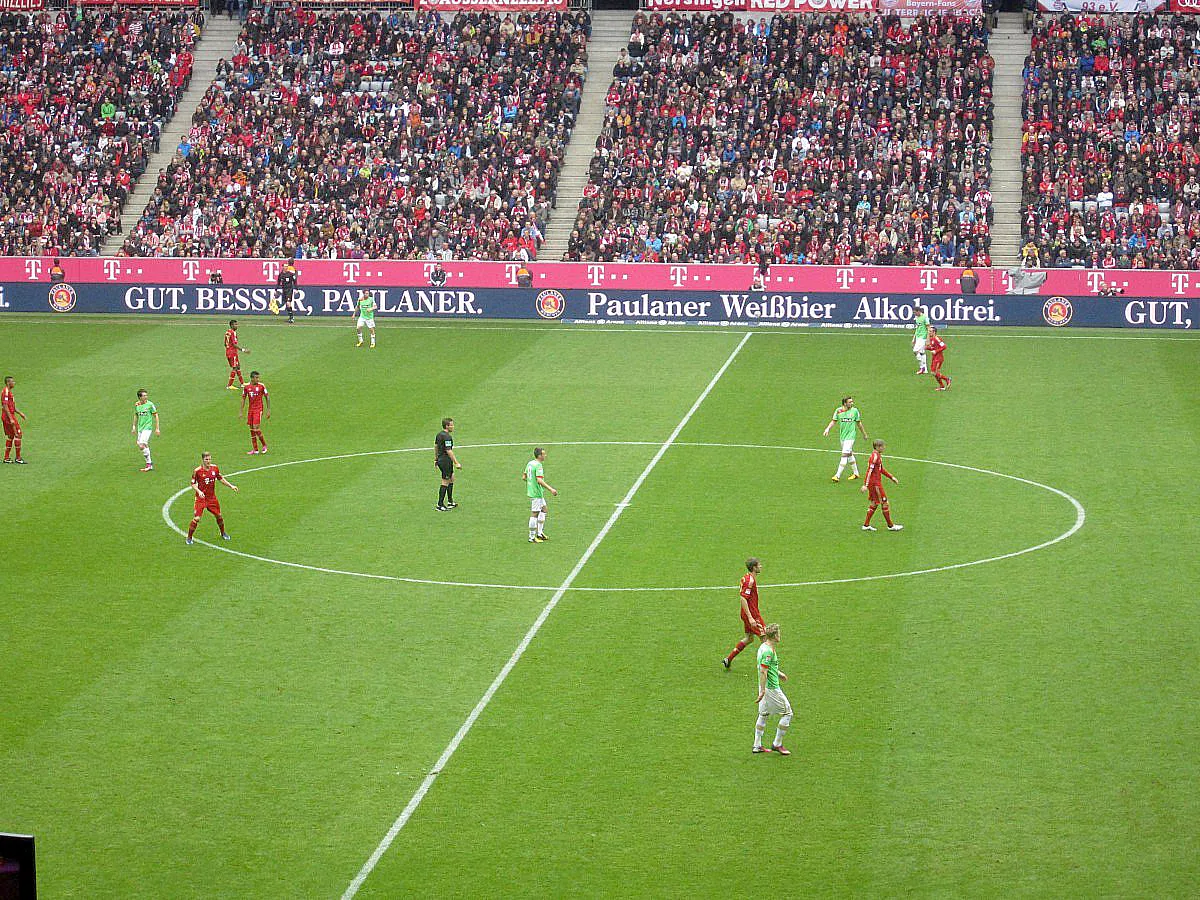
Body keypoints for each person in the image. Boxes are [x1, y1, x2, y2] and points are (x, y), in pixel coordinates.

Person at [753, 622, 792, 756]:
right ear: (774, 635)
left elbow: (768, 667)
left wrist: (779, 673)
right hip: (771, 688)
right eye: (778, 633)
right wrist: (763, 691)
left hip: (764, 686)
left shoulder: (763, 647)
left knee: (763, 714)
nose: (780, 636)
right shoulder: (768, 651)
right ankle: (777, 744)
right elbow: (763, 671)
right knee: (787, 713)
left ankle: (757, 745)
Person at [186, 451, 238, 544]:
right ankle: (189, 537)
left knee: (219, 515)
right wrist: (199, 491)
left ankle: (223, 533)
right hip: (200, 498)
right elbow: (193, 484)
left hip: (211, 498)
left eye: (209, 459)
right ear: (203, 460)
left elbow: (220, 478)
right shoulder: (197, 471)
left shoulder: (215, 468)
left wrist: (231, 486)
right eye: (206, 459)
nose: (208, 461)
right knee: (197, 518)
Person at [723, 558, 764, 669]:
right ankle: (768, 667)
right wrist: (751, 618)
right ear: (754, 567)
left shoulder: (747, 578)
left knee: (749, 638)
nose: (761, 566)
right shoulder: (749, 581)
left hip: (746, 614)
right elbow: (743, 598)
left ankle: (728, 659)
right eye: (759, 565)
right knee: (765, 639)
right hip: (752, 614)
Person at [823, 396, 867, 482]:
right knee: (849, 454)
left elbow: (859, 423)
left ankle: (837, 476)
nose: (852, 403)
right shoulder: (838, 411)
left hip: (850, 437)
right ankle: (856, 473)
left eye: (852, 402)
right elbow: (834, 420)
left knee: (844, 455)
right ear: (845, 403)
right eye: (850, 402)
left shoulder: (855, 411)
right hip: (843, 437)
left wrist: (864, 434)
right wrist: (827, 429)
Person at [861, 439, 902, 532]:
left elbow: (881, 469)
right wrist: (865, 485)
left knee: (874, 502)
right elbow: (869, 471)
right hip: (875, 484)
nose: (884, 448)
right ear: (877, 447)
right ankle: (890, 526)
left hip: (875, 483)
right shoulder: (874, 457)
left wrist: (892, 477)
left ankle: (866, 525)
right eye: (883, 446)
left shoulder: (878, 456)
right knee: (885, 502)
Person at [523, 447, 558, 542]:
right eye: (544, 454)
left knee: (544, 509)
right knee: (534, 513)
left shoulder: (530, 463)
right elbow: (539, 480)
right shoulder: (538, 465)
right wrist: (551, 489)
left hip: (534, 492)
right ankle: (532, 537)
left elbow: (524, 477)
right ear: (539, 456)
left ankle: (539, 533)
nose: (545, 455)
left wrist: (531, 483)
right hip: (536, 493)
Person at [435, 417, 461, 511]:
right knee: (445, 481)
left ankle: (450, 501)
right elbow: (449, 450)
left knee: (452, 478)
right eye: (451, 425)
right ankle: (440, 504)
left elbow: (436, 446)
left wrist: (436, 458)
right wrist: (456, 463)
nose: (453, 427)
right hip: (445, 460)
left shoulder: (439, 435)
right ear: (447, 426)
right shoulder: (447, 437)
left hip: (441, 460)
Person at [241, 371, 270, 455]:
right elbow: (243, 398)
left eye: (258, 378)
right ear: (252, 378)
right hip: (251, 410)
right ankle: (255, 449)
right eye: (256, 378)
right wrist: (241, 411)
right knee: (251, 430)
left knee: (256, 428)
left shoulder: (261, 386)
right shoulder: (247, 387)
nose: (258, 379)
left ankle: (264, 445)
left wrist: (268, 410)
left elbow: (267, 397)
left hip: (258, 409)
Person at [131, 389, 160, 472]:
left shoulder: (150, 405)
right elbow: (136, 415)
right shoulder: (137, 405)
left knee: (141, 445)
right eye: (144, 396)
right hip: (140, 428)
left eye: (146, 395)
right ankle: (149, 464)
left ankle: (149, 464)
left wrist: (157, 428)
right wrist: (133, 426)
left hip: (147, 428)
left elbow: (156, 415)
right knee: (143, 445)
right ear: (140, 397)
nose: (146, 397)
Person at [2, 375, 26, 464]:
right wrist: (11, 418)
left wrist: (20, 413)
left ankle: (6, 458)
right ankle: (18, 458)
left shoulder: (9, 392)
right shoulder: (5, 392)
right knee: (18, 434)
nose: (14, 383)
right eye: (13, 381)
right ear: (8, 383)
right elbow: (5, 405)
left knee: (11, 436)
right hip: (8, 416)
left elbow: (11, 406)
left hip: (8, 415)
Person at [225, 319, 247, 390]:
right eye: (235, 324)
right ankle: (229, 385)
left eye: (237, 324)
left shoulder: (227, 332)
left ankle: (242, 383)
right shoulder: (232, 332)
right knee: (234, 368)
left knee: (238, 366)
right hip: (232, 353)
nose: (236, 326)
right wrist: (243, 350)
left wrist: (228, 348)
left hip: (229, 351)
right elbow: (234, 344)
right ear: (231, 325)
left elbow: (225, 344)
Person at [927, 327, 952, 391]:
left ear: (934, 332)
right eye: (929, 331)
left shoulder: (937, 339)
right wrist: (926, 348)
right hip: (934, 357)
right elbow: (933, 348)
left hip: (938, 358)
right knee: (935, 373)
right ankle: (942, 386)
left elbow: (944, 346)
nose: (929, 332)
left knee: (934, 372)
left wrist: (936, 351)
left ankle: (947, 379)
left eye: (930, 331)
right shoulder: (932, 339)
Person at [912, 305, 930, 374]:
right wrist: (914, 338)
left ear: (919, 311)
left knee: (915, 350)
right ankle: (925, 369)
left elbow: (928, 328)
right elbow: (917, 328)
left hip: (923, 337)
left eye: (915, 312)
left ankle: (922, 367)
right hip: (918, 336)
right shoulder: (917, 318)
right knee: (922, 352)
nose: (914, 314)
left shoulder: (925, 318)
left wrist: (928, 338)